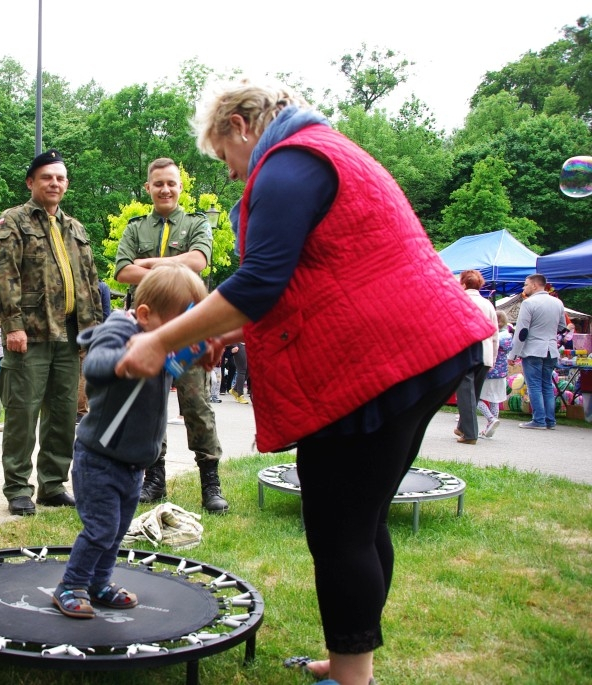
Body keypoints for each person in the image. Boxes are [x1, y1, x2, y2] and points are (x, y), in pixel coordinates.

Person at [114, 80, 494, 685]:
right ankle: (349, 663)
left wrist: (160, 338)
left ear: (240, 126)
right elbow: (307, 280)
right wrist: (226, 334)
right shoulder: (320, 151)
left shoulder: (290, 162)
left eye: (225, 158)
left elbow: (261, 281)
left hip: (382, 358)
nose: (236, 177)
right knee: (362, 521)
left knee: (339, 527)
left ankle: (351, 678)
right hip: (416, 350)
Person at [52, 263, 208, 618]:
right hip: (99, 458)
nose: (179, 336)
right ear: (144, 315)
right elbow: (95, 365)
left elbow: (174, 367)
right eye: (176, 328)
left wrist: (199, 349)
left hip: (134, 462)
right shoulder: (119, 329)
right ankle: (71, 584)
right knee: (101, 528)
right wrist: (127, 361)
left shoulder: (165, 342)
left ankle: (99, 582)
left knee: (117, 530)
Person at [0, 149, 103, 516]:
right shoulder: (13, 221)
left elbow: (90, 281)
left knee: (63, 413)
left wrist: (94, 331)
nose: (54, 183)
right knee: (23, 413)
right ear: (31, 182)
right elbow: (4, 276)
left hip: (72, 336)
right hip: (31, 335)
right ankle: (18, 488)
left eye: (60, 178)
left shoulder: (76, 228)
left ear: (66, 184)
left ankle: (53, 484)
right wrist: (13, 325)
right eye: (46, 177)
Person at [114, 158, 228, 513]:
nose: (165, 189)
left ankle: (210, 481)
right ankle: (155, 479)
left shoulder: (196, 224)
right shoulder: (135, 229)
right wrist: (173, 264)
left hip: (191, 330)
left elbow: (198, 262)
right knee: (150, 407)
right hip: (149, 331)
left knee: (196, 406)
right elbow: (121, 272)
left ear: (180, 188)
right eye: (158, 183)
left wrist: (147, 264)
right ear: (148, 188)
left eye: (171, 183)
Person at [509, 274, 567, 429]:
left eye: (526, 284)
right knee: (547, 385)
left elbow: (522, 332)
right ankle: (550, 420)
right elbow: (562, 327)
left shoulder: (529, 303)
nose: (524, 287)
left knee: (534, 385)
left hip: (533, 349)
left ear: (534, 285)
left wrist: (513, 354)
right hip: (551, 350)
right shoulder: (558, 303)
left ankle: (539, 420)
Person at [453, 270, 499, 444]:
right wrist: (493, 358)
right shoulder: (488, 305)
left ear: (463, 284)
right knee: (473, 395)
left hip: (466, 352)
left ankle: (470, 435)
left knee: (465, 394)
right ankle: (463, 428)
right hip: (485, 353)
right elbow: (495, 334)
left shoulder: (460, 301)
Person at [76, 279, 113, 423]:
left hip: (75, 332)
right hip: (93, 333)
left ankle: (74, 408)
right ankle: (81, 411)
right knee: (86, 373)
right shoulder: (102, 286)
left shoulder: (78, 283)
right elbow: (106, 314)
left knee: (75, 372)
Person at [478, 310, 512, 438]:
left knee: (476, 398)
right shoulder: (508, 336)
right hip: (502, 372)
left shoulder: (494, 336)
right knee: (495, 400)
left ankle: (491, 419)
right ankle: (490, 427)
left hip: (489, 371)